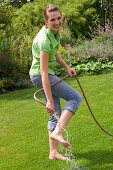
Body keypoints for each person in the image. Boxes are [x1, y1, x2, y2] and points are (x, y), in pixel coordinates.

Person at [29, 4, 82, 161]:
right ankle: (58, 132)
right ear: (46, 21)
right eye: (53, 20)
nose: (57, 22)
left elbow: (55, 53)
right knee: (75, 97)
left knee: (55, 114)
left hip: (42, 75)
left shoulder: (54, 33)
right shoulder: (44, 39)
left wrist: (66, 67)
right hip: (41, 76)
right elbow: (44, 73)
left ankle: (53, 152)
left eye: (59, 18)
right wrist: (49, 100)